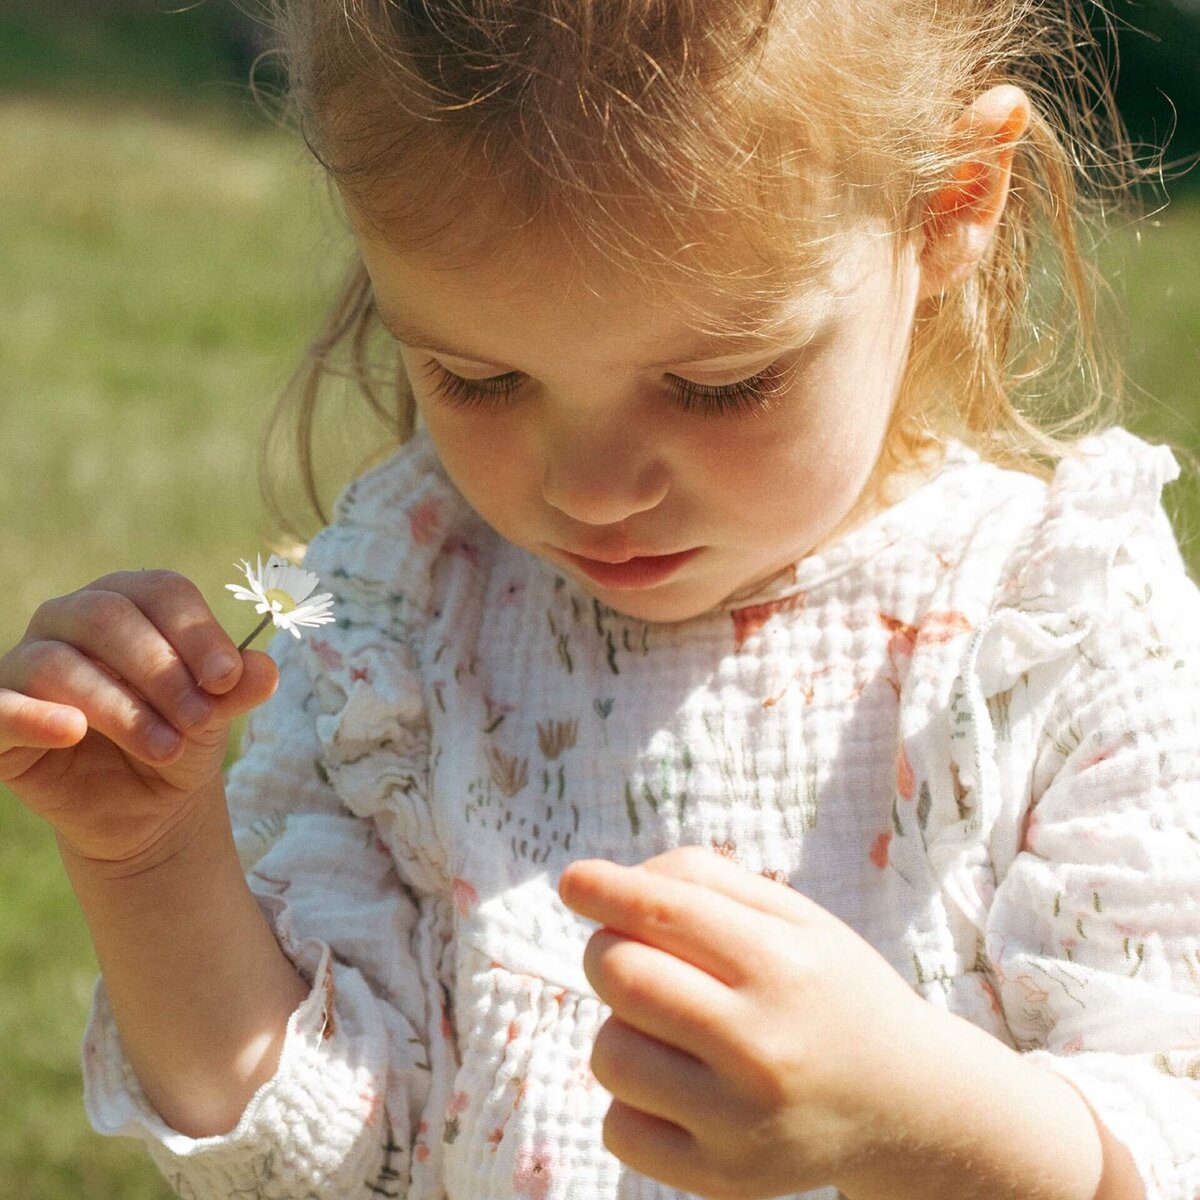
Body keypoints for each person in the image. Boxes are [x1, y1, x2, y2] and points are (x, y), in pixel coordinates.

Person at [1, 1, 1197, 1196]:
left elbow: (1165, 1126)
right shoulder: (403, 625)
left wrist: (921, 1119)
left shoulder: (1056, 625)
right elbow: (318, 1162)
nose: (592, 489)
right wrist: (152, 859)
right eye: (480, 377)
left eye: (717, 383)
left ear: (952, 207)